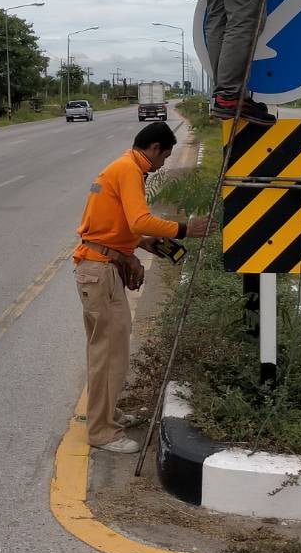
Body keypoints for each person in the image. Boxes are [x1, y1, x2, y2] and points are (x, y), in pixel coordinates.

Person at [72, 121, 211, 454]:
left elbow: (115, 224)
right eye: (165, 157)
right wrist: (184, 229)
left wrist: (142, 243)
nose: (162, 164)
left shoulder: (121, 166)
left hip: (98, 268)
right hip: (100, 272)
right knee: (110, 354)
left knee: (105, 351)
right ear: (154, 149)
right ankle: (102, 432)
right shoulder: (130, 170)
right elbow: (138, 219)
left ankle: (107, 414)